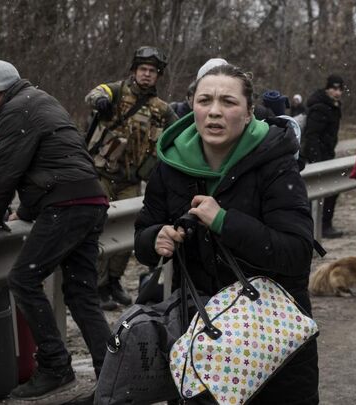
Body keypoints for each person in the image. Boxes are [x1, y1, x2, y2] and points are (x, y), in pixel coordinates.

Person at [135, 63, 319, 404]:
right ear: (192, 106)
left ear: (249, 113)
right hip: (202, 334)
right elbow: (143, 239)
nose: (215, 111)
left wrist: (223, 221)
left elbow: (295, 253)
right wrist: (154, 239)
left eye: (228, 102)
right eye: (205, 100)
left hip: (271, 336)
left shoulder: (276, 163)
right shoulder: (169, 165)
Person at [0, 60, 110, 402]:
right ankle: (111, 371)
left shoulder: (15, 110)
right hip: (91, 199)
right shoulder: (43, 100)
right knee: (81, 294)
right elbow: (51, 160)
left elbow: (5, 171)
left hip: (67, 205)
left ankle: (54, 365)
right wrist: (27, 210)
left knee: (23, 279)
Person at [85, 46, 178, 310]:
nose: (147, 75)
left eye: (152, 71)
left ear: (158, 76)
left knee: (127, 232)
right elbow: (95, 93)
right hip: (101, 175)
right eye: (143, 70)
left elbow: (181, 130)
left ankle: (114, 281)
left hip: (131, 180)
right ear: (134, 71)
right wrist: (100, 101)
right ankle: (98, 285)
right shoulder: (115, 92)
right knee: (100, 228)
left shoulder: (160, 109)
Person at [301, 74, 345, 238]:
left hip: (326, 154)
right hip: (316, 157)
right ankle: (322, 225)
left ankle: (322, 224)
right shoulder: (320, 107)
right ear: (327, 89)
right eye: (334, 88)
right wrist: (317, 160)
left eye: (340, 89)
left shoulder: (333, 105)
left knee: (330, 190)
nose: (337, 92)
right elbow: (311, 136)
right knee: (326, 191)